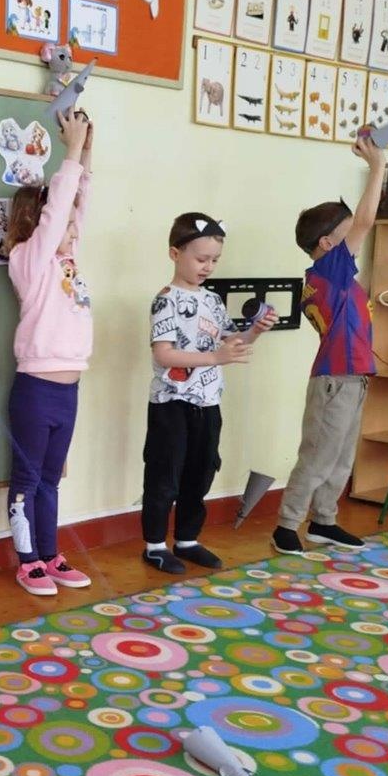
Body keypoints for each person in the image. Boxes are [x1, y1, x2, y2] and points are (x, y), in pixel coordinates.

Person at [142, 213, 277, 574]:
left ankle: (187, 539)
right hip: (172, 403)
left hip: (208, 402)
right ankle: (154, 545)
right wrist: (215, 357)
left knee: (201, 471)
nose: (208, 267)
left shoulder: (213, 300)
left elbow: (233, 341)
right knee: (164, 474)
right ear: (175, 253)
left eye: (215, 260)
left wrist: (256, 331)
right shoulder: (166, 300)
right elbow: (164, 354)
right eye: (201, 259)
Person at [274, 136, 386, 555]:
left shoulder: (337, 277)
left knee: (341, 458)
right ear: (326, 243)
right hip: (335, 380)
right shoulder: (327, 272)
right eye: (346, 233)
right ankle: (286, 525)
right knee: (319, 455)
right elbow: (367, 220)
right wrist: (377, 166)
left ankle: (324, 521)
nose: (356, 236)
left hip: (353, 378)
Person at [4, 109, 95, 595]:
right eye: (63, 224)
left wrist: (88, 154)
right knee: (28, 478)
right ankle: (27, 561)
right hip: (36, 391)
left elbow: (76, 207)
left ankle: (49, 553)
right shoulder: (29, 261)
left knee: (51, 479)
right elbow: (59, 209)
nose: (74, 229)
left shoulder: (66, 261)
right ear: (38, 224)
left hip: (68, 391)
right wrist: (71, 153)